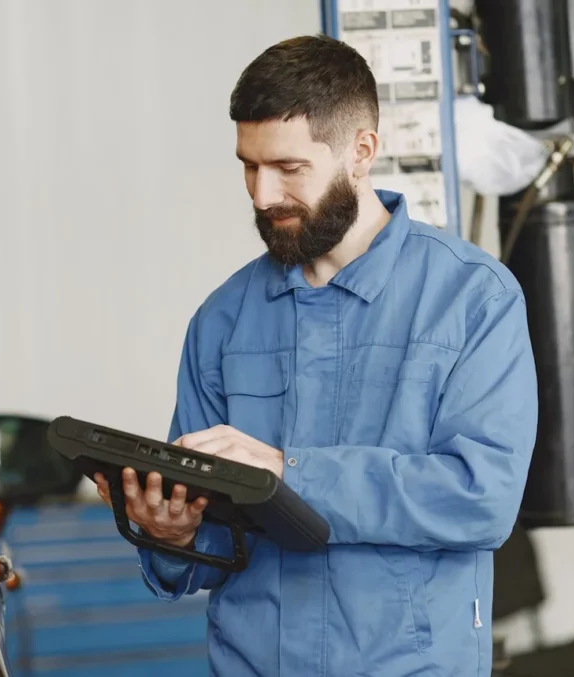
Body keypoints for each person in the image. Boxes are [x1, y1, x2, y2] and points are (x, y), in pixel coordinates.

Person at [94, 34, 538, 677]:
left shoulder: (471, 299)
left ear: (361, 152)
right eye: (248, 165)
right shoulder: (222, 320)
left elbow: (480, 497)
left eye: (288, 168)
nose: (261, 194)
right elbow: (213, 533)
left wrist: (286, 472)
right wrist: (170, 536)